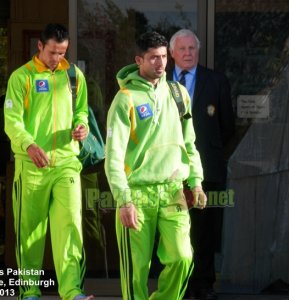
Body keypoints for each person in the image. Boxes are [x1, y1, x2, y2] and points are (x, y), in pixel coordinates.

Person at [104, 31, 207, 300]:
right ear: (139, 60)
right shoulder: (124, 99)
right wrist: (123, 199)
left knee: (183, 258)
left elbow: (190, 142)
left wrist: (196, 181)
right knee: (136, 271)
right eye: (154, 58)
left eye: (163, 57)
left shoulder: (178, 93)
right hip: (136, 193)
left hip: (173, 190)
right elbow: (113, 156)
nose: (161, 64)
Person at [4, 23, 93, 300]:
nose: (57, 58)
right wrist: (28, 145)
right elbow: (12, 121)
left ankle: (72, 291)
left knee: (70, 229)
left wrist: (82, 127)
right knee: (30, 234)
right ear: (40, 47)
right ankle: (29, 292)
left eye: (62, 52)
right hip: (31, 167)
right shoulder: (22, 77)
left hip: (67, 163)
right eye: (53, 52)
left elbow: (82, 112)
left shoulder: (74, 75)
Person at [168, 29, 235, 300]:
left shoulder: (216, 81)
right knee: (172, 231)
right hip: (168, 169)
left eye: (192, 49)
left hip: (207, 168)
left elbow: (228, 126)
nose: (187, 54)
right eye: (182, 49)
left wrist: (210, 153)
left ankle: (203, 285)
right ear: (172, 53)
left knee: (205, 231)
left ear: (198, 51)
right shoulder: (159, 82)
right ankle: (175, 286)